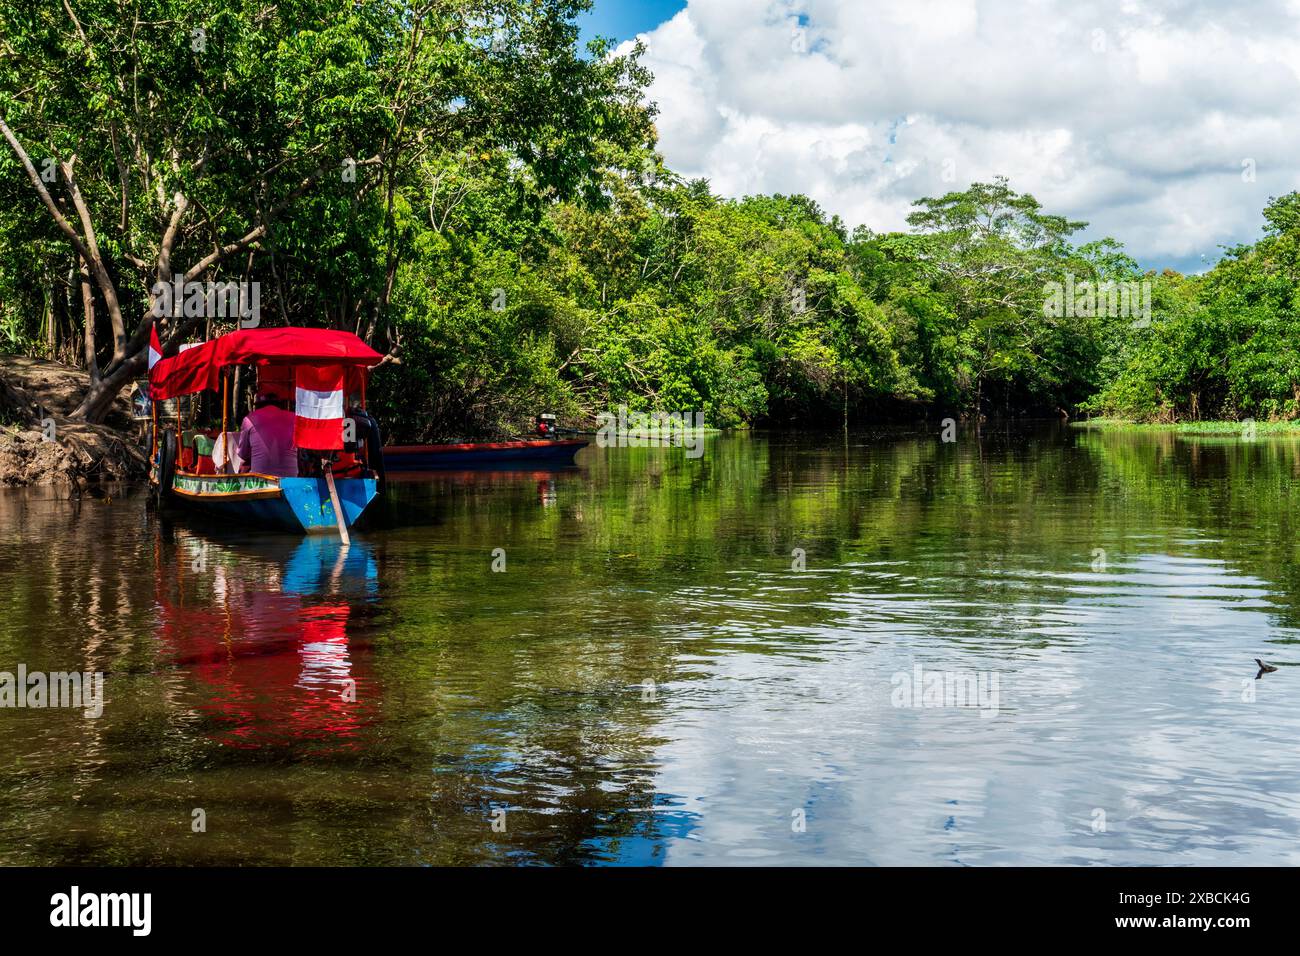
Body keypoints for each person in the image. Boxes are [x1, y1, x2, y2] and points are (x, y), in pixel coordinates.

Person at [237, 386, 298, 477]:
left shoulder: (249, 419)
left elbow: (243, 454)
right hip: (290, 477)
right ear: (280, 404)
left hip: (261, 480)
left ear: (258, 405)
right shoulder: (294, 418)